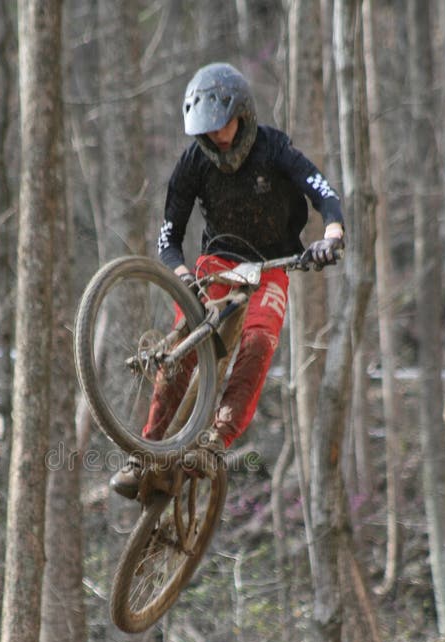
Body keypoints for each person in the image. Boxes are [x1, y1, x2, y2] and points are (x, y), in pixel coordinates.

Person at [111, 62, 344, 499]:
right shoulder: (193, 163)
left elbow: (322, 190)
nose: (218, 138)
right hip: (216, 265)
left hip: (274, 264)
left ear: (244, 114)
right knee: (182, 343)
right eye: (208, 131)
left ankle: (217, 437)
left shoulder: (274, 149)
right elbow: (168, 236)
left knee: (258, 342)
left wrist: (331, 234)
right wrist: (181, 274)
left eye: (224, 126)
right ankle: (144, 454)